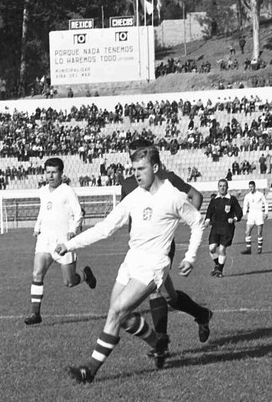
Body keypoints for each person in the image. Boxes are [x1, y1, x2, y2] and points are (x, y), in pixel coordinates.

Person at [56, 145, 205, 383]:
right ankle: (158, 342)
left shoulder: (173, 196)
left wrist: (190, 256)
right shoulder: (134, 196)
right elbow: (106, 228)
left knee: (116, 312)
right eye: (133, 168)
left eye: (141, 168)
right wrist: (71, 244)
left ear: (155, 168)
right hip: (131, 261)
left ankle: (90, 371)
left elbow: (197, 223)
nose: (136, 173)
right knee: (121, 316)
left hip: (153, 265)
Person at [121, 139, 214, 345]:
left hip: (161, 247)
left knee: (154, 290)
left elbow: (194, 196)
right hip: (138, 249)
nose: (135, 161)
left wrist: (182, 220)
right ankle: (202, 314)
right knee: (168, 296)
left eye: (139, 155)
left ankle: (160, 343)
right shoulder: (128, 183)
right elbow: (127, 213)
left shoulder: (167, 179)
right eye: (132, 157)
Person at [24, 157, 96, 326]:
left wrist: (72, 231)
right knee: (37, 273)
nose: (50, 176)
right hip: (45, 240)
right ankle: (35, 313)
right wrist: (37, 226)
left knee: (69, 282)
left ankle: (86, 275)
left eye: (54, 172)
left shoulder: (67, 191)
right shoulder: (42, 191)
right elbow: (43, 211)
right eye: (48, 172)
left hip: (63, 242)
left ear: (61, 174)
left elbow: (78, 213)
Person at [205, 179, 243, 278]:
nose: (222, 187)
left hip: (227, 228)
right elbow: (209, 212)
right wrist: (207, 220)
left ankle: (219, 270)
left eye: (224, 186)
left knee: (222, 249)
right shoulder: (214, 200)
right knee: (211, 248)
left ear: (227, 187)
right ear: (218, 187)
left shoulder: (232, 199)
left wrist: (234, 219)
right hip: (215, 227)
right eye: (220, 186)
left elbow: (239, 213)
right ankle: (218, 265)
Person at [241, 180, 268, 254]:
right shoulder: (247, 196)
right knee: (247, 231)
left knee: (259, 233)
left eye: (252, 187)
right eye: (249, 187)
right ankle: (248, 249)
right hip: (251, 214)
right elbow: (245, 205)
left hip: (259, 213)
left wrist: (266, 212)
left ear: (255, 187)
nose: (251, 188)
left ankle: (259, 249)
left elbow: (265, 203)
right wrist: (244, 214)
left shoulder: (260, 194)